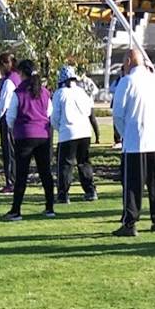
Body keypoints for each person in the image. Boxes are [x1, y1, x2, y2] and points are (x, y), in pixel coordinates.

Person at [111, 48, 155, 236]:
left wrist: (124, 133)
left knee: (133, 184)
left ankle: (130, 222)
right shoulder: (154, 80)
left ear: (128, 61)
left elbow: (117, 113)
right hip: (154, 138)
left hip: (135, 140)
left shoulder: (127, 81)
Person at [2, 59, 54, 220]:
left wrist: (15, 128)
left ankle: (16, 210)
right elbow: (49, 113)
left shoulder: (18, 93)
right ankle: (50, 207)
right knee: (45, 172)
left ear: (22, 73)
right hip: (43, 135)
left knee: (21, 174)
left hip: (24, 135)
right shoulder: (44, 92)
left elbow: (10, 117)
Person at [51, 65, 98, 205]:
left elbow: (54, 117)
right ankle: (90, 190)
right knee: (84, 162)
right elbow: (89, 112)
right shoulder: (81, 92)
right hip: (85, 132)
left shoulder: (60, 94)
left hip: (68, 133)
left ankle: (63, 194)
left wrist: (60, 128)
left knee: (66, 165)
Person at [0, 52, 22, 194]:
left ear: (5, 65)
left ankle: (11, 183)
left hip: (8, 120)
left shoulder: (9, 81)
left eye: (0, 65)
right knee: (14, 152)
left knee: (9, 153)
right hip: (16, 120)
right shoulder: (17, 77)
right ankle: (15, 181)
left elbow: (3, 104)